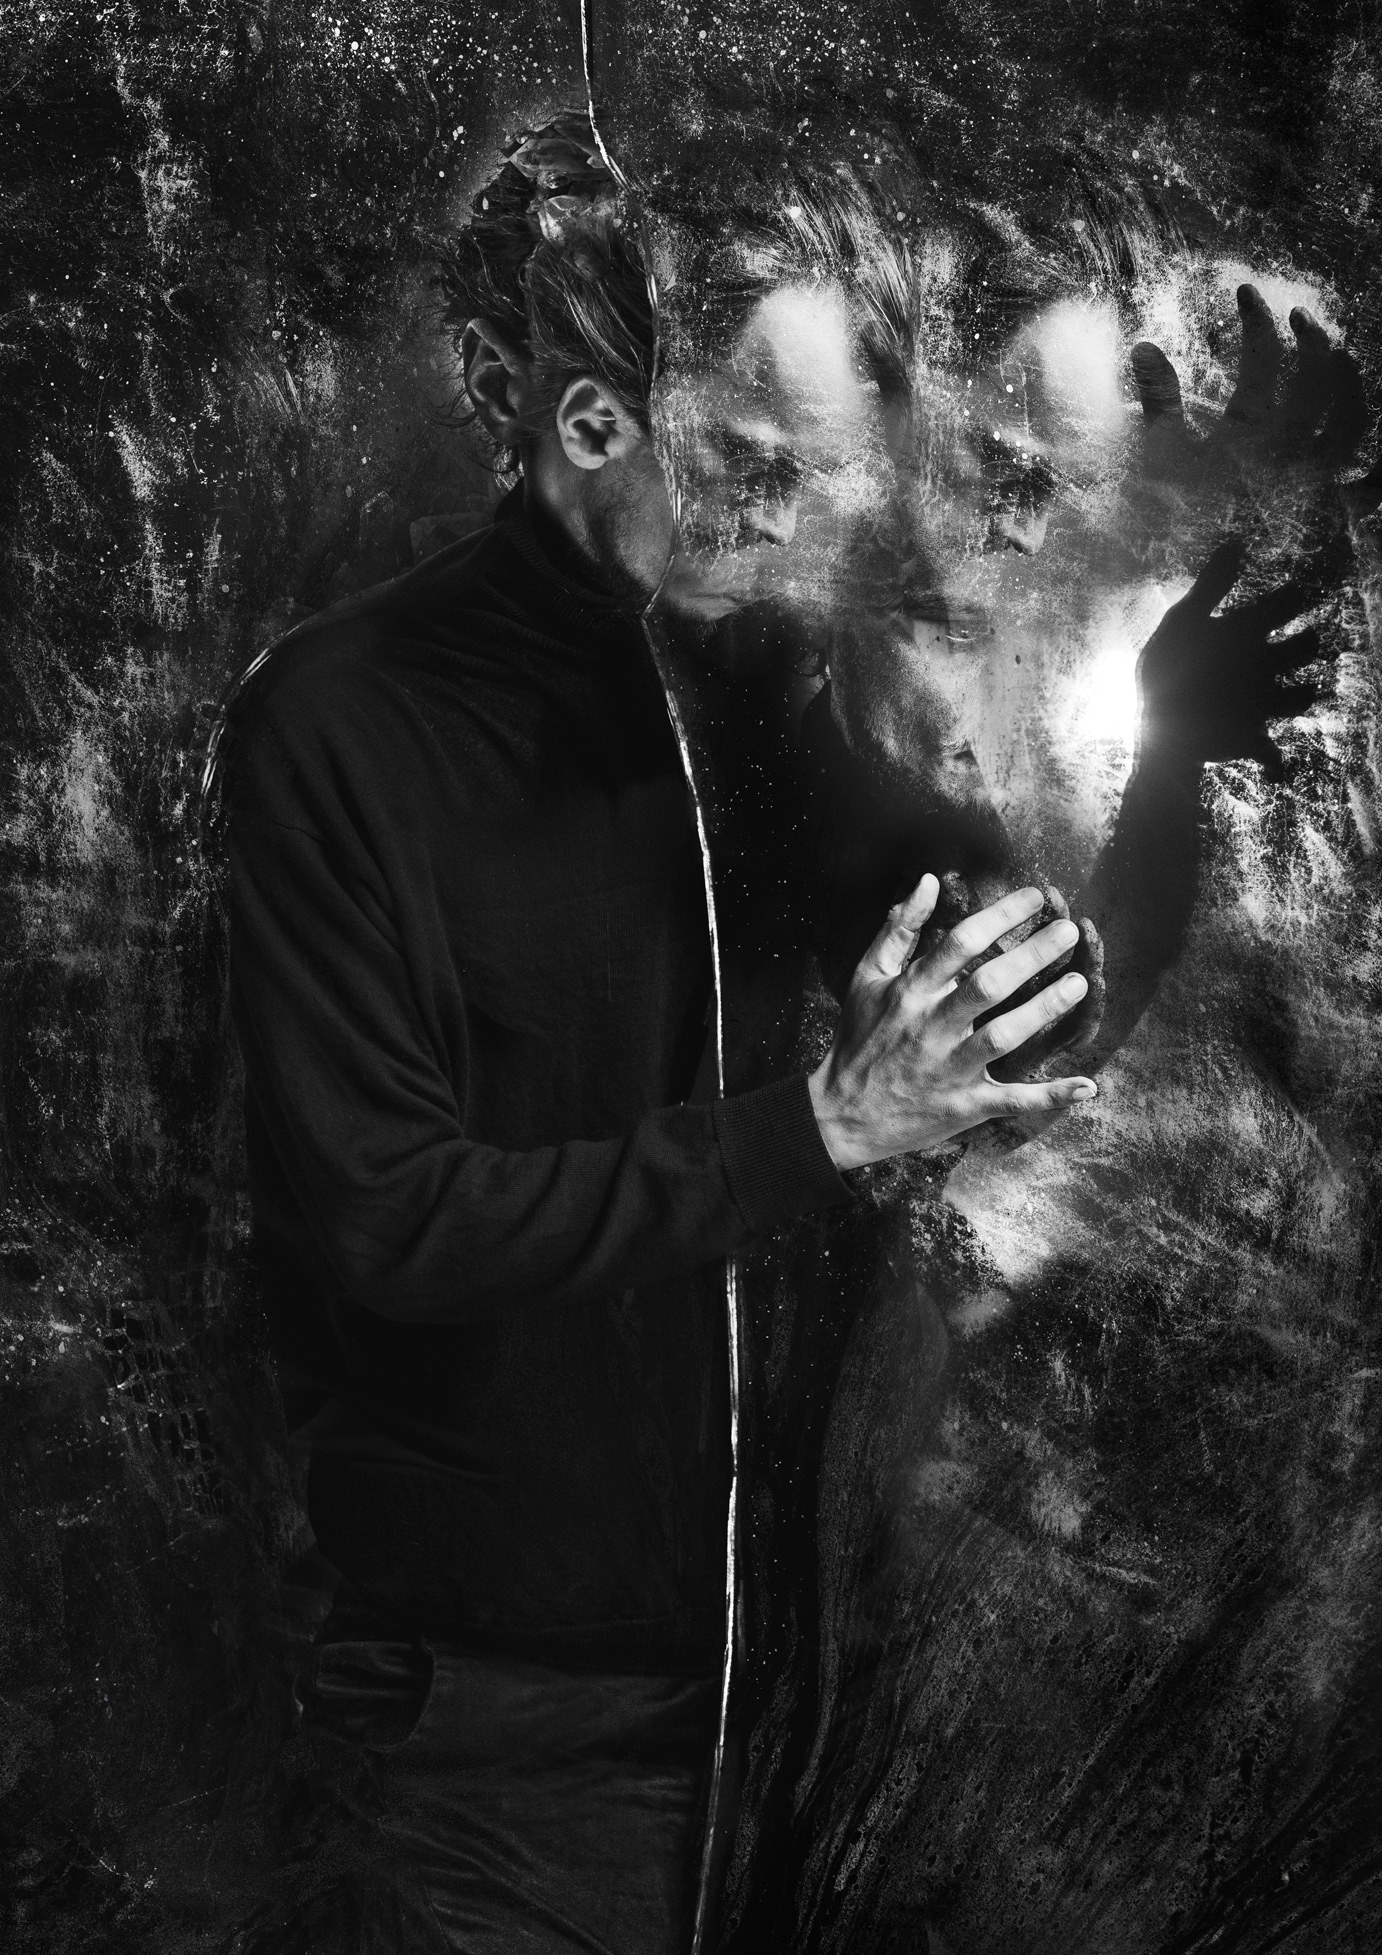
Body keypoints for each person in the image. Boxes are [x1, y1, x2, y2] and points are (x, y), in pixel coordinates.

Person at [212, 114, 1097, 1955]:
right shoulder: (341, 722)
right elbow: (389, 1220)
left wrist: (983, 937)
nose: (792, 526)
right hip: (494, 1730)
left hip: (801, 1696)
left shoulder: (765, 674)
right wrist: (820, 1127)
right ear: (589, 424)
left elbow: (1018, 978)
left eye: (820, 475)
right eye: (752, 469)